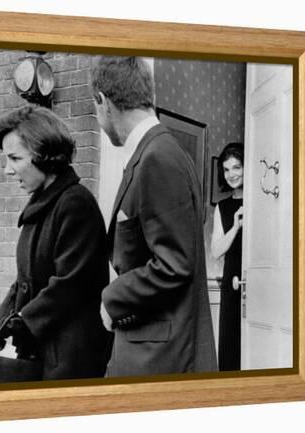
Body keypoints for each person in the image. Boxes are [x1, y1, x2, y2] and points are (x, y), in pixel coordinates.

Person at [91, 56, 217, 376]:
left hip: (159, 358)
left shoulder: (157, 157)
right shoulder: (159, 152)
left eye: (96, 110)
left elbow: (174, 264)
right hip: (152, 350)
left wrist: (112, 299)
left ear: (103, 102)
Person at [0, 105, 112, 381]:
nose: (8, 171)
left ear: (44, 156)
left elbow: (69, 285)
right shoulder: (41, 205)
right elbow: (23, 283)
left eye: (14, 158)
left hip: (70, 358)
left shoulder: (75, 203)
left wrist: (16, 325)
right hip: (44, 352)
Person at [210, 142, 244, 371]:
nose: (231, 174)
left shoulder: (263, 201)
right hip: (231, 284)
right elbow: (215, 251)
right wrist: (235, 227)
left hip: (254, 281)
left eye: (237, 167)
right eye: (226, 169)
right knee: (230, 350)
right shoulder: (221, 208)